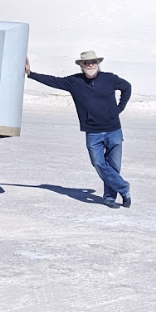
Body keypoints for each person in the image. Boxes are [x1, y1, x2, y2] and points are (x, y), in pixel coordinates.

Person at [25, 51, 132, 208]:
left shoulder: (109, 78)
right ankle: (124, 188)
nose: (91, 65)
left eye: (93, 62)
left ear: (98, 64)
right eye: (87, 62)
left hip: (113, 131)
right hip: (93, 133)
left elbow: (127, 87)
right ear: (81, 65)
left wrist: (119, 109)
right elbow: (54, 81)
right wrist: (31, 74)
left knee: (114, 167)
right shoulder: (75, 82)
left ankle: (110, 197)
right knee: (98, 163)